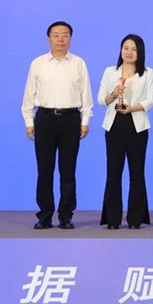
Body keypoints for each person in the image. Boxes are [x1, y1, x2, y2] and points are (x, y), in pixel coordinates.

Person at [21, 21, 93, 230]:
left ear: (70, 38)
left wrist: (85, 120)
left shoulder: (78, 63)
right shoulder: (38, 63)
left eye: (65, 35)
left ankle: (65, 215)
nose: (60, 39)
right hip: (44, 119)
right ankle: (45, 215)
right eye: (56, 35)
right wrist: (29, 121)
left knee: (68, 170)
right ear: (48, 38)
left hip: (71, 119)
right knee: (44, 170)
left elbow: (86, 94)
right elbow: (29, 94)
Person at [97, 34, 153, 230]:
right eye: (126, 48)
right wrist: (114, 94)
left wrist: (132, 108)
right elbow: (101, 99)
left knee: (137, 172)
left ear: (140, 52)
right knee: (113, 172)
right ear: (121, 50)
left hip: (137, 124)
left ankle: (135, 219)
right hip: (114, 125)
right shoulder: (110, 72)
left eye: (134, 49)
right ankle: (112, 219)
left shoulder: (147, 73)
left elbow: (151, 100)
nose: (129, 52)